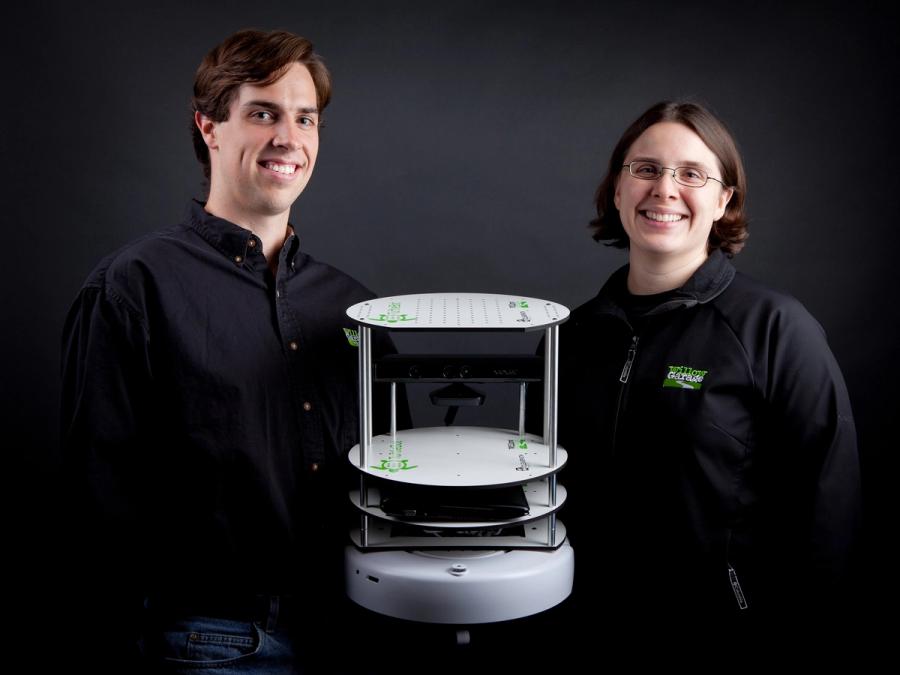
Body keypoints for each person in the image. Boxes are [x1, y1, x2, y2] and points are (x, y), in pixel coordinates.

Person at [60, 29, 399, 673]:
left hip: (357, 631)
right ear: (209, 127)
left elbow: (395, 480)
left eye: (306, 119)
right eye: (263, 113)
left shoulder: (357, 309)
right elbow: (95, 511)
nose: (288, 139)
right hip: (206, 642)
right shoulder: (133, 288)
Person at [553, 101, 861, 653]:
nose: (665, 189)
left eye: (691, 174)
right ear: (617, 191)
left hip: (725, 640)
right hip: (584, 633)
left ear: (724, 201)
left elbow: (827, 509)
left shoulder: (775, 328)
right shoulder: (574, 336)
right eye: (645, 169)